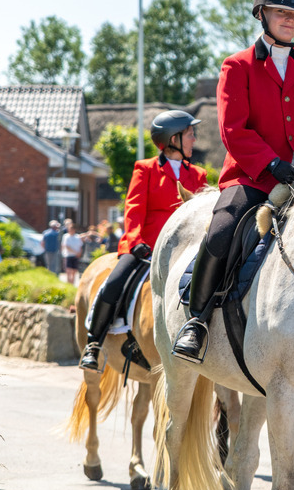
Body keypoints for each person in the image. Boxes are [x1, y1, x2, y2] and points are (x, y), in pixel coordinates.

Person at [170, 0, 294, 364]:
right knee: (220, 231)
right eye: (281, 11)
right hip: (251, 179)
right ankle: (196, 322)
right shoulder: (237, 66)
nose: (290, 19)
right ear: (262, 14)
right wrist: (274, 166)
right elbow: (234, 130)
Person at [78, 110, 208, 371]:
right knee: (113, 282)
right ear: (173, 139)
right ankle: (94, 342)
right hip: (145, 247)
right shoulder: (145, 169)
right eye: (190, 133)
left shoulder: (198, 175)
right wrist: (136, 240)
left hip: (183, 250)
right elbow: (134, 208)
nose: (194, 138)